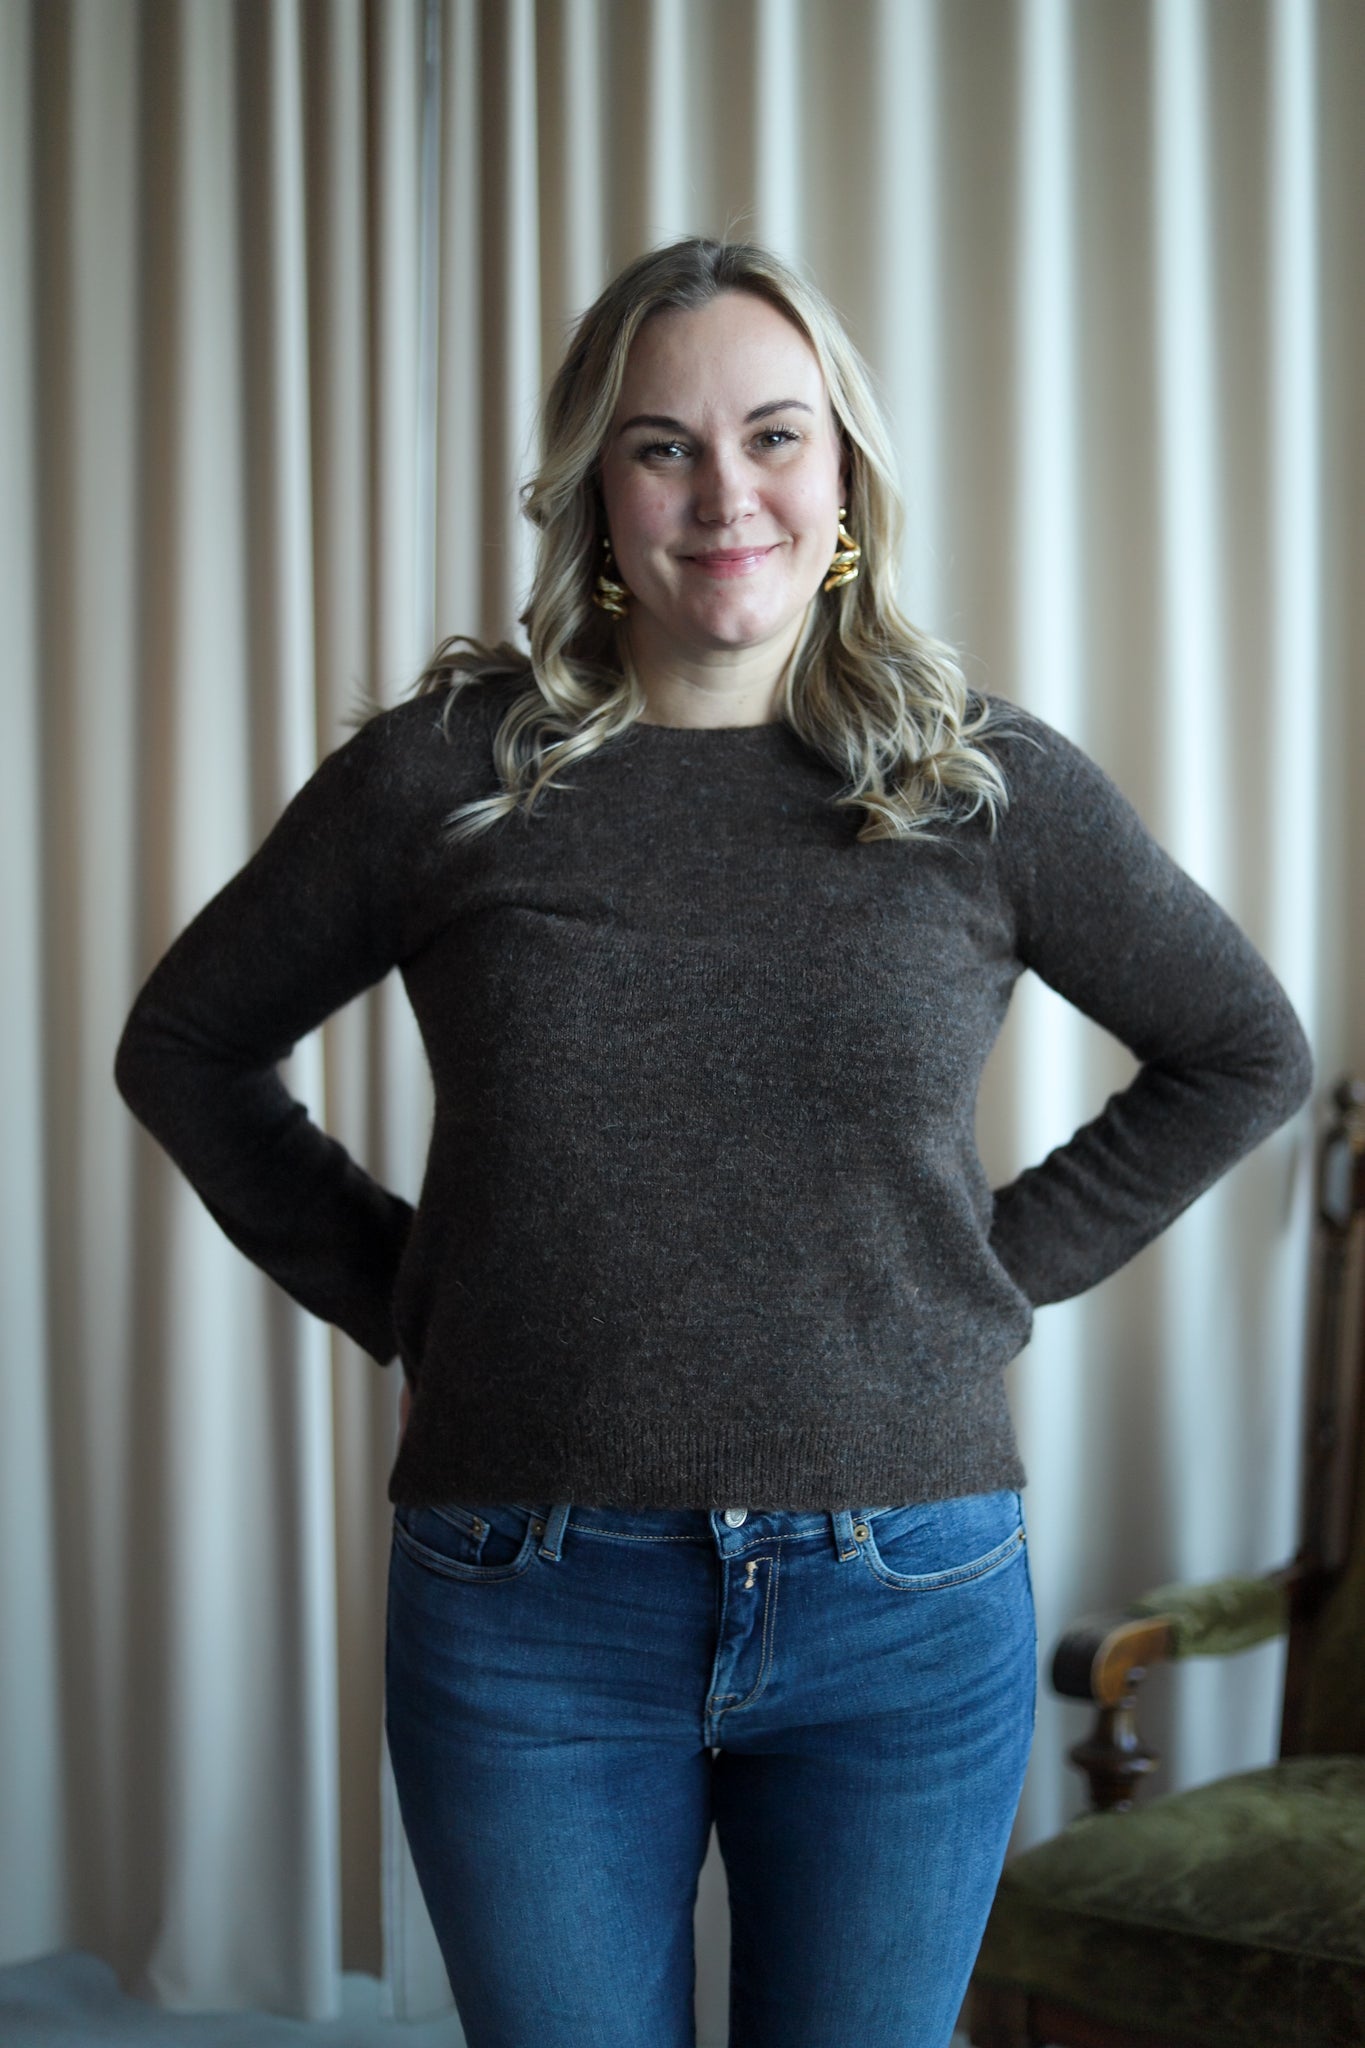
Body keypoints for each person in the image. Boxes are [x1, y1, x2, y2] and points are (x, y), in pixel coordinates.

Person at [115, 236, 1312, 2048]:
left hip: (904, 1596)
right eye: (661, 445)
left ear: (842, 473)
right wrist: (418, 1299)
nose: (723, 493)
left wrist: (977, 1282)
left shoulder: (977, 782)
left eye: (772, 434)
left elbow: (1240, 1051)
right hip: (528, 1597)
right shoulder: (448, 775)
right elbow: (188, 1048)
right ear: (597, 493)